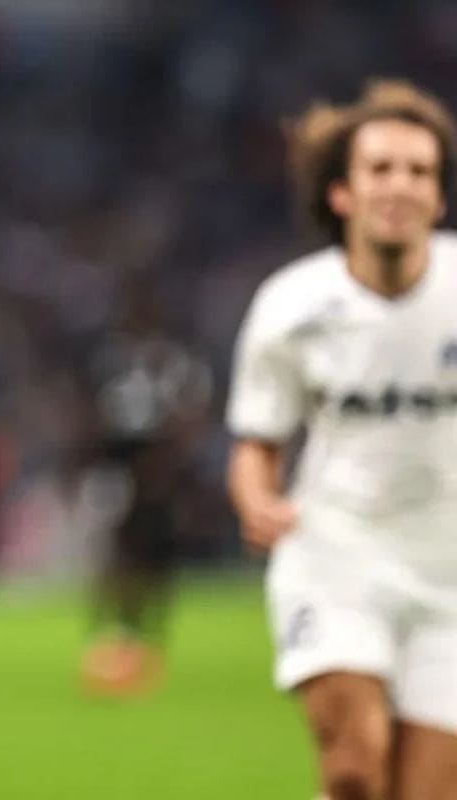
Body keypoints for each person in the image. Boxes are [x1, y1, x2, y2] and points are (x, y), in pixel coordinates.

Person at [228, 79, 457, 799]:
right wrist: (257, 502)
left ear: (440, 197)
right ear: (343, 194)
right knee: (357, 767)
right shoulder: (292, 305)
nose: (401, 185)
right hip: (336, 553)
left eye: (420, 171)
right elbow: (257, 441)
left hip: (449, 575)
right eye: (381, 169)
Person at [79, 289, 213, 698]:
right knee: (114, 552)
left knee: (155, 559)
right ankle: (113, 634)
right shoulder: (112, 361)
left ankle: (146, 640)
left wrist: (169, 473)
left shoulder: (175, 364)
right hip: (117, 470)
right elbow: (90, 414)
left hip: (159, 475)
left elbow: (189, 419)